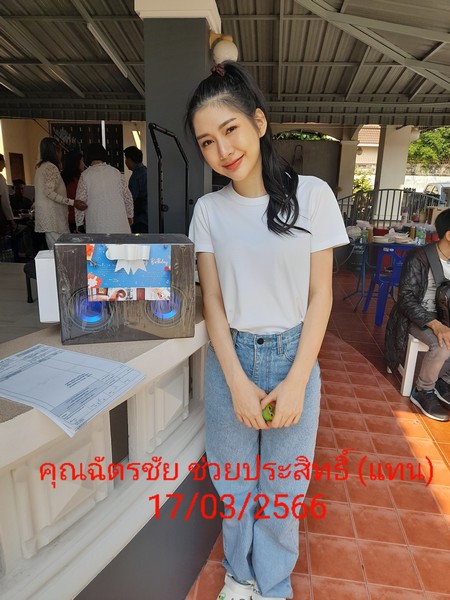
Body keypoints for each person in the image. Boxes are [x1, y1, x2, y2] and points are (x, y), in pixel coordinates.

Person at [186, 61, 349, 600]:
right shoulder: (209, 211)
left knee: (284, 488)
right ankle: (240, 576)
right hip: (230, 360)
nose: (222, 150)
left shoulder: (313, 196)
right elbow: (211, 300)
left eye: (230, 129)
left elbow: (321, 295)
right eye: (207, 142)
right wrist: (234, 380)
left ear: (258, 122)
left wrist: (298, 380)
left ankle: (273, 584)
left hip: (291, 357)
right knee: (233, 485)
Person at [385, 209, 450, 422]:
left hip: (445, 316)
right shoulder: (420, 257)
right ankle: (423, 390)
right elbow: (405, 299)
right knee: (443, 344)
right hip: (417, 316)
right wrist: (435, 325)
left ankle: (445, 382)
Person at [34, 137, 87, 250]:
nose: (61, 154)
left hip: (51, 218)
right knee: (62, 250)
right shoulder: (50, 167)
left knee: (57, 249)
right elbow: (49, 192)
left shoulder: (41, 167)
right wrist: (72, 202)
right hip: (53, 218)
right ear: (54, 151)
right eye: (59, 150)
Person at [75, 143, 133, 234]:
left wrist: (79, 223)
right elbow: (127, 197)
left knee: (100, 242)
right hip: (119, 222)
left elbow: (80, 202)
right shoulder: (116, 172)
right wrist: (129, 216)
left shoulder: (85, 176)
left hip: (97, 222)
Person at [124, 145, 148, 233]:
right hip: (147, 215)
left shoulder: (136, 176)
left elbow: (131, 198)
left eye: (126, 159)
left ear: (130, 159)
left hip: (140, 218)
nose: (125, 162)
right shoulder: (146, 171)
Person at [61, 149, 85, 232]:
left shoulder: (63, 177)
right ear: (76, 162)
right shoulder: (75, 180)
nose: (83, 164)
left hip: (65, 217)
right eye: (82, 161)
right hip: (74, 218)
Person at [0, 154, 16, 234]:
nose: (5, 166)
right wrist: (11, 219)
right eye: (4, 162)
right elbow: (5, 201)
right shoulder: (0, 178)